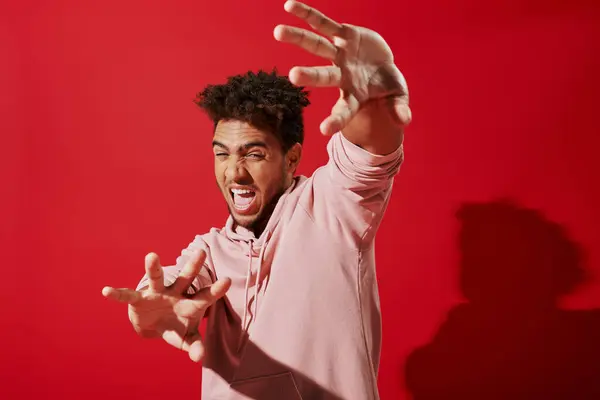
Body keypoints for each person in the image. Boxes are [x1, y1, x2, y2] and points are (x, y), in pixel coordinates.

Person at [102, 1, 411, 399]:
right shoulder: (209, 251)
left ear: (292, 157)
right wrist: (150, 308)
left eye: (253, 153)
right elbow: (175, 290)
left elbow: (369, 149)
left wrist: (372, 95)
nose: (234, 172)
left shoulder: (333, 205)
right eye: (222, 153)